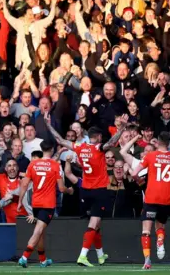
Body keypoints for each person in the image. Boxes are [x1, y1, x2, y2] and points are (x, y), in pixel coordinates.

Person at [46, 114, 124, 267]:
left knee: (97, 224)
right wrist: (122, 128)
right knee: (93, 223)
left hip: (85, 190)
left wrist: (48, 124)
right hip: (99, 190)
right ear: (99, 136)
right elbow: (112, 142)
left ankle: (101, 255)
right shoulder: (98, 148)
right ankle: (83, 255)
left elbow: (60, 141)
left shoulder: (80, 147)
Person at [128, 132, 170, 270]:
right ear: (169, 143)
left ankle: (147, 261)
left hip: (151, 197)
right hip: (166, 198)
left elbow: (134, 173)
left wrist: (139, 181)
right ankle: (160, 240)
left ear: (157, 142)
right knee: (160, 226)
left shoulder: (150, 156)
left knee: (146, 230)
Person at [17, 147, 73, 268]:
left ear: (42, 149)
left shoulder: (33, 164)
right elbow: (62, 188)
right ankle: (24, 256)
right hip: (48, 204)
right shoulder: (54, 165)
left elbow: (25, 184)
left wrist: (20, 201)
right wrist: (70, 190)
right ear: (51, 150)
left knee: (40, 233)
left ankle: (43, 260)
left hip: (35, 203)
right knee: (38, 231)